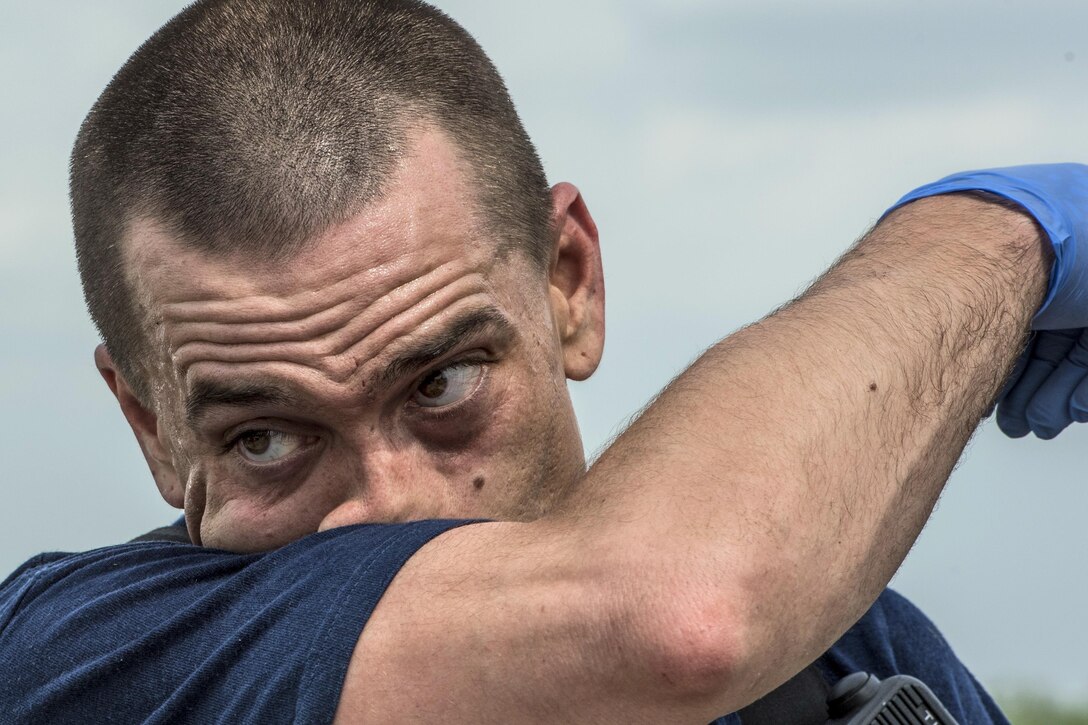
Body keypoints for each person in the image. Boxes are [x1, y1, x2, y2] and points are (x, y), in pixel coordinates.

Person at [2, 0, 1086, 722]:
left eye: (441, 383)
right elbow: (679, 616)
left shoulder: (846, 658)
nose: (392, 508)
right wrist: (991, 231)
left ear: (568, 280)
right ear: (152, 427)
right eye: (266, 438)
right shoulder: (88, 656)